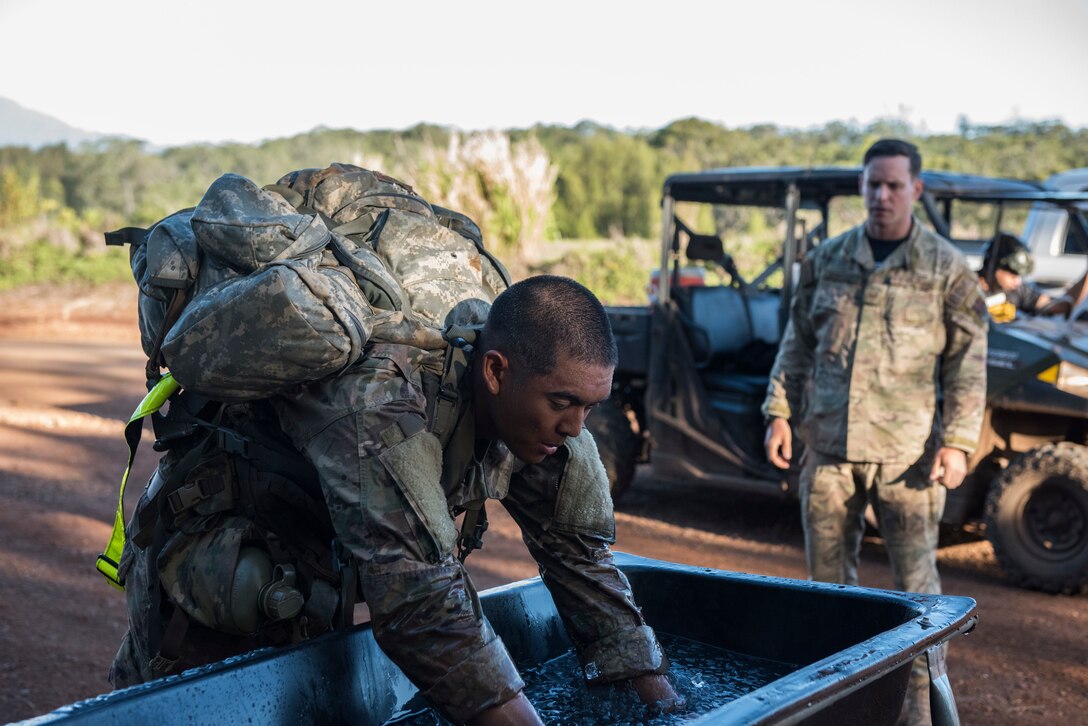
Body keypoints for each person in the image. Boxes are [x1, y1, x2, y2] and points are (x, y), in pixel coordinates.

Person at [110, 274, 680, 724]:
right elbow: (424, 610)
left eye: (590, 407)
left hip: (313, 570)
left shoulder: (543, 418)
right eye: (564, 404)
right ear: (497, 371)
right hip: (214, 571)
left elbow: (586, 569)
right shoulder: (383, 408)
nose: (576, 428)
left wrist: (666, 710)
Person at [761, 139, 988, 726]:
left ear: (916, 189)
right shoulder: (828, 259)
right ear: (862, 188)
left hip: (907, 460)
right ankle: (842, 714)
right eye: (872, 185)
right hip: (830, 454)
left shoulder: (946, 269)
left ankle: (919, 719)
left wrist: (960, 441)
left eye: (893, 185)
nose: (881, 196)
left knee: (919, 606)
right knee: (828, 602)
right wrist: (780, 412)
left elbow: (968, 360)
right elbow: (798, 344)